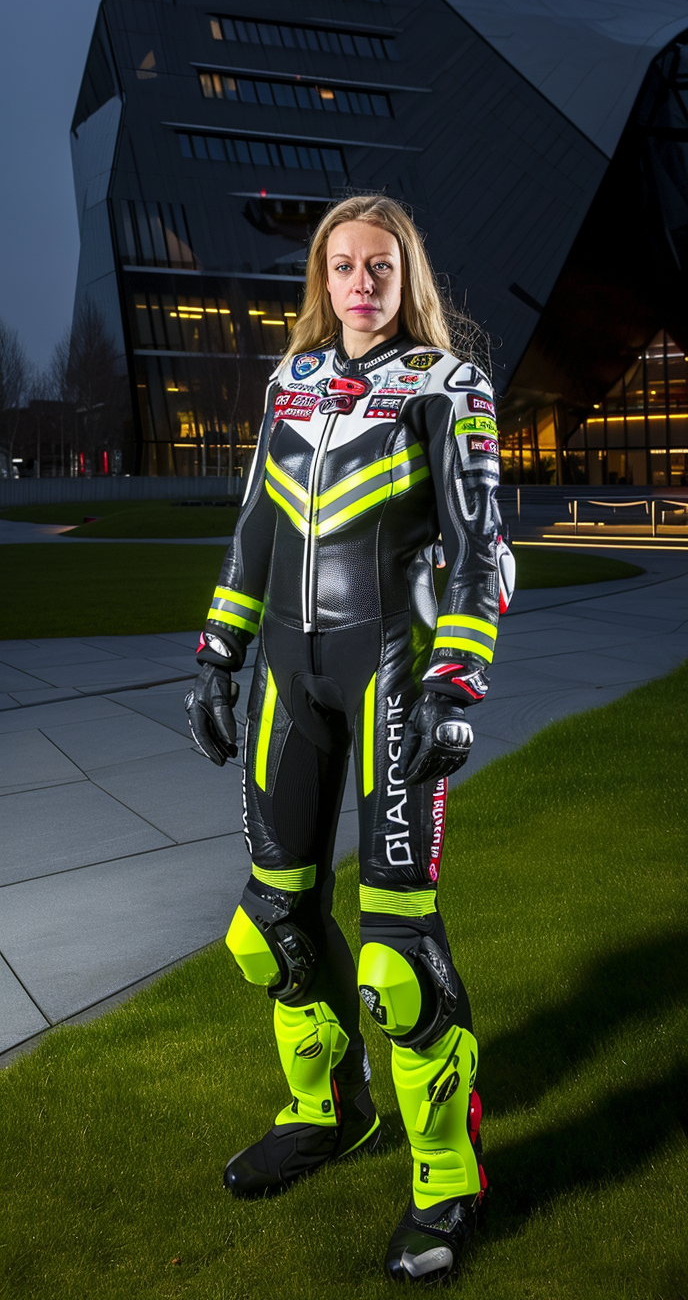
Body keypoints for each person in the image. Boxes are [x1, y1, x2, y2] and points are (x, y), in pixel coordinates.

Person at [185, 193, 513, 1284]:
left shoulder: (448, 383)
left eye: (378, 265)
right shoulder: (291, 381)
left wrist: (457, 681)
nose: (359, 283)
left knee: (394, 964)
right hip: (287, 673)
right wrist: (219, 654)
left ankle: (445, 1182)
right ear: (320, 278)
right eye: (341, 265)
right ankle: (326, 1112)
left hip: (393, 679)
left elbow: (482, 549)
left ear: (403, 272)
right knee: (268, 924)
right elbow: (253, 527)